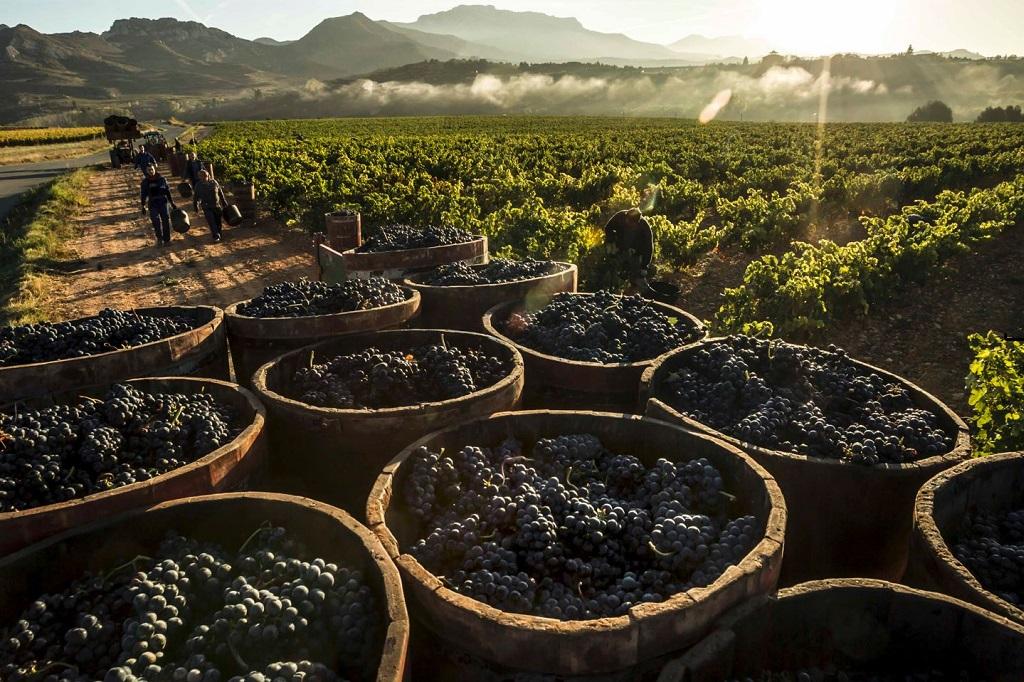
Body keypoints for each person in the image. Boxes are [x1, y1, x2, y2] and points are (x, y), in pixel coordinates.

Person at [603, 207, 654, 284]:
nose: (628, 223)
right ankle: (612, 284)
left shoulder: (644, 227)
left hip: (635, 253)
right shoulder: (620, 216)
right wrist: (612, 243)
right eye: (627, 220)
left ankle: (632, 288)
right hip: (618, 249)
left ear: (637, 222)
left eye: (631, 223)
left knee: (635, 277)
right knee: (612, 271)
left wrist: (644, 266)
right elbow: (608, 228)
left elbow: (648, 247)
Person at [141, 164, 175, 246]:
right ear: (146, 171)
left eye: (152, 169)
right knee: (155, 221)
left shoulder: (162, 179)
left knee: (165, 220)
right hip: (153, 203)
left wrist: (172, 202)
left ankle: (167, 240)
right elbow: (143, 195)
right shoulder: (145, 182)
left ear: (155, 169)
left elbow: (167, 191)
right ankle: (159, 239)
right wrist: (143, 206)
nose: (151, 171)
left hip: (163, 201)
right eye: (149, 170)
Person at [192, 169, 229, 243]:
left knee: (218, 221)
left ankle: (219, 233)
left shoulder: (214, 182)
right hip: (206, 207)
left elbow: (220, 193)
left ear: (208, 175)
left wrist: (224, 203)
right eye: (201, 176)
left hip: (216, 205)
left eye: (205, 176)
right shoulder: (198, 185)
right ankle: (216, 236)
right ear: (199, 177)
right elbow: (196, 197)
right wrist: (196, 208)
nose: (203, 177)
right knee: (211, 221)